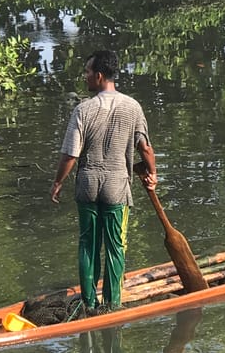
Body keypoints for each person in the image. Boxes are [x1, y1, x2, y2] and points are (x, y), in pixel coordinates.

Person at [50, 50, 157, 310]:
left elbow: (70, 155)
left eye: (87, 72)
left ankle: (88, 302)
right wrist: (152, 173)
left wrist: (57, 183)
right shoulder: (132, 107)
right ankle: (112, 303)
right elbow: (145, 148)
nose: (85, 76)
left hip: (87, 183)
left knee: (87, 243)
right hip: (116, 186)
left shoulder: (83, 110)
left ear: (99, 76)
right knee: (115, 246)